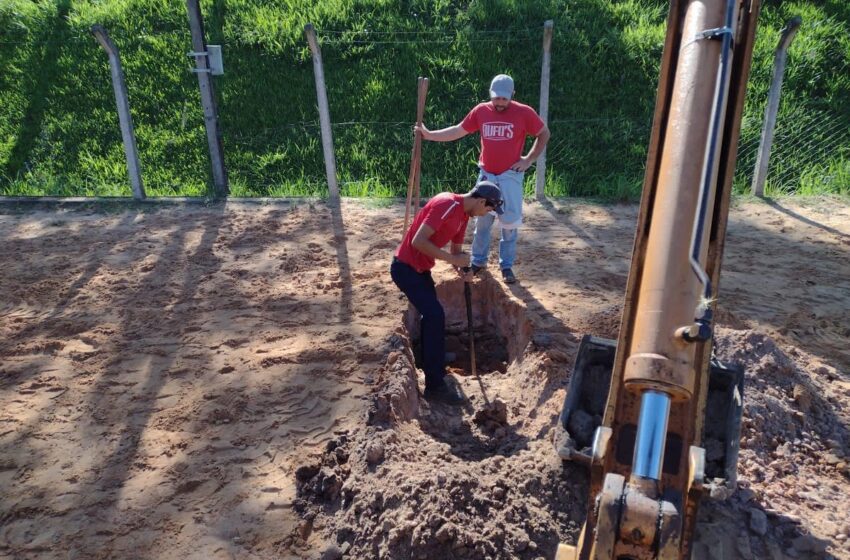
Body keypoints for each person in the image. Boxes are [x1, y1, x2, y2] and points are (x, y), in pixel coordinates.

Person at [416, 74, 550, 284]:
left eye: (504, 99)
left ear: (512, 95)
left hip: (510, 175)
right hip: (486, 174)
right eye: (496, 98)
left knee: (509, 223)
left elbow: (544, 133)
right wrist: (430, 134)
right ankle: (478, 262)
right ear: (490, 94)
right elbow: (458, 130)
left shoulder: (524, 113)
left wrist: (528, 160)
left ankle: (506, 266)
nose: (500, 102)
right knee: (482, 221)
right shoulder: (481, 111)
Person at [391, 181, 505, 405]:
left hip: (421, 269)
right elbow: (418, 241)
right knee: (434, 315)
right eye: (488, 210)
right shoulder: (446, 205)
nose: (486, 214)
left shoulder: (463, 215)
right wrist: (453, 260)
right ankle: (434, 385)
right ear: (481, 201)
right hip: (405, 268)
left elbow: (456, 251)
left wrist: (465, 269)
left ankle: (431, 357)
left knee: (432, 315)